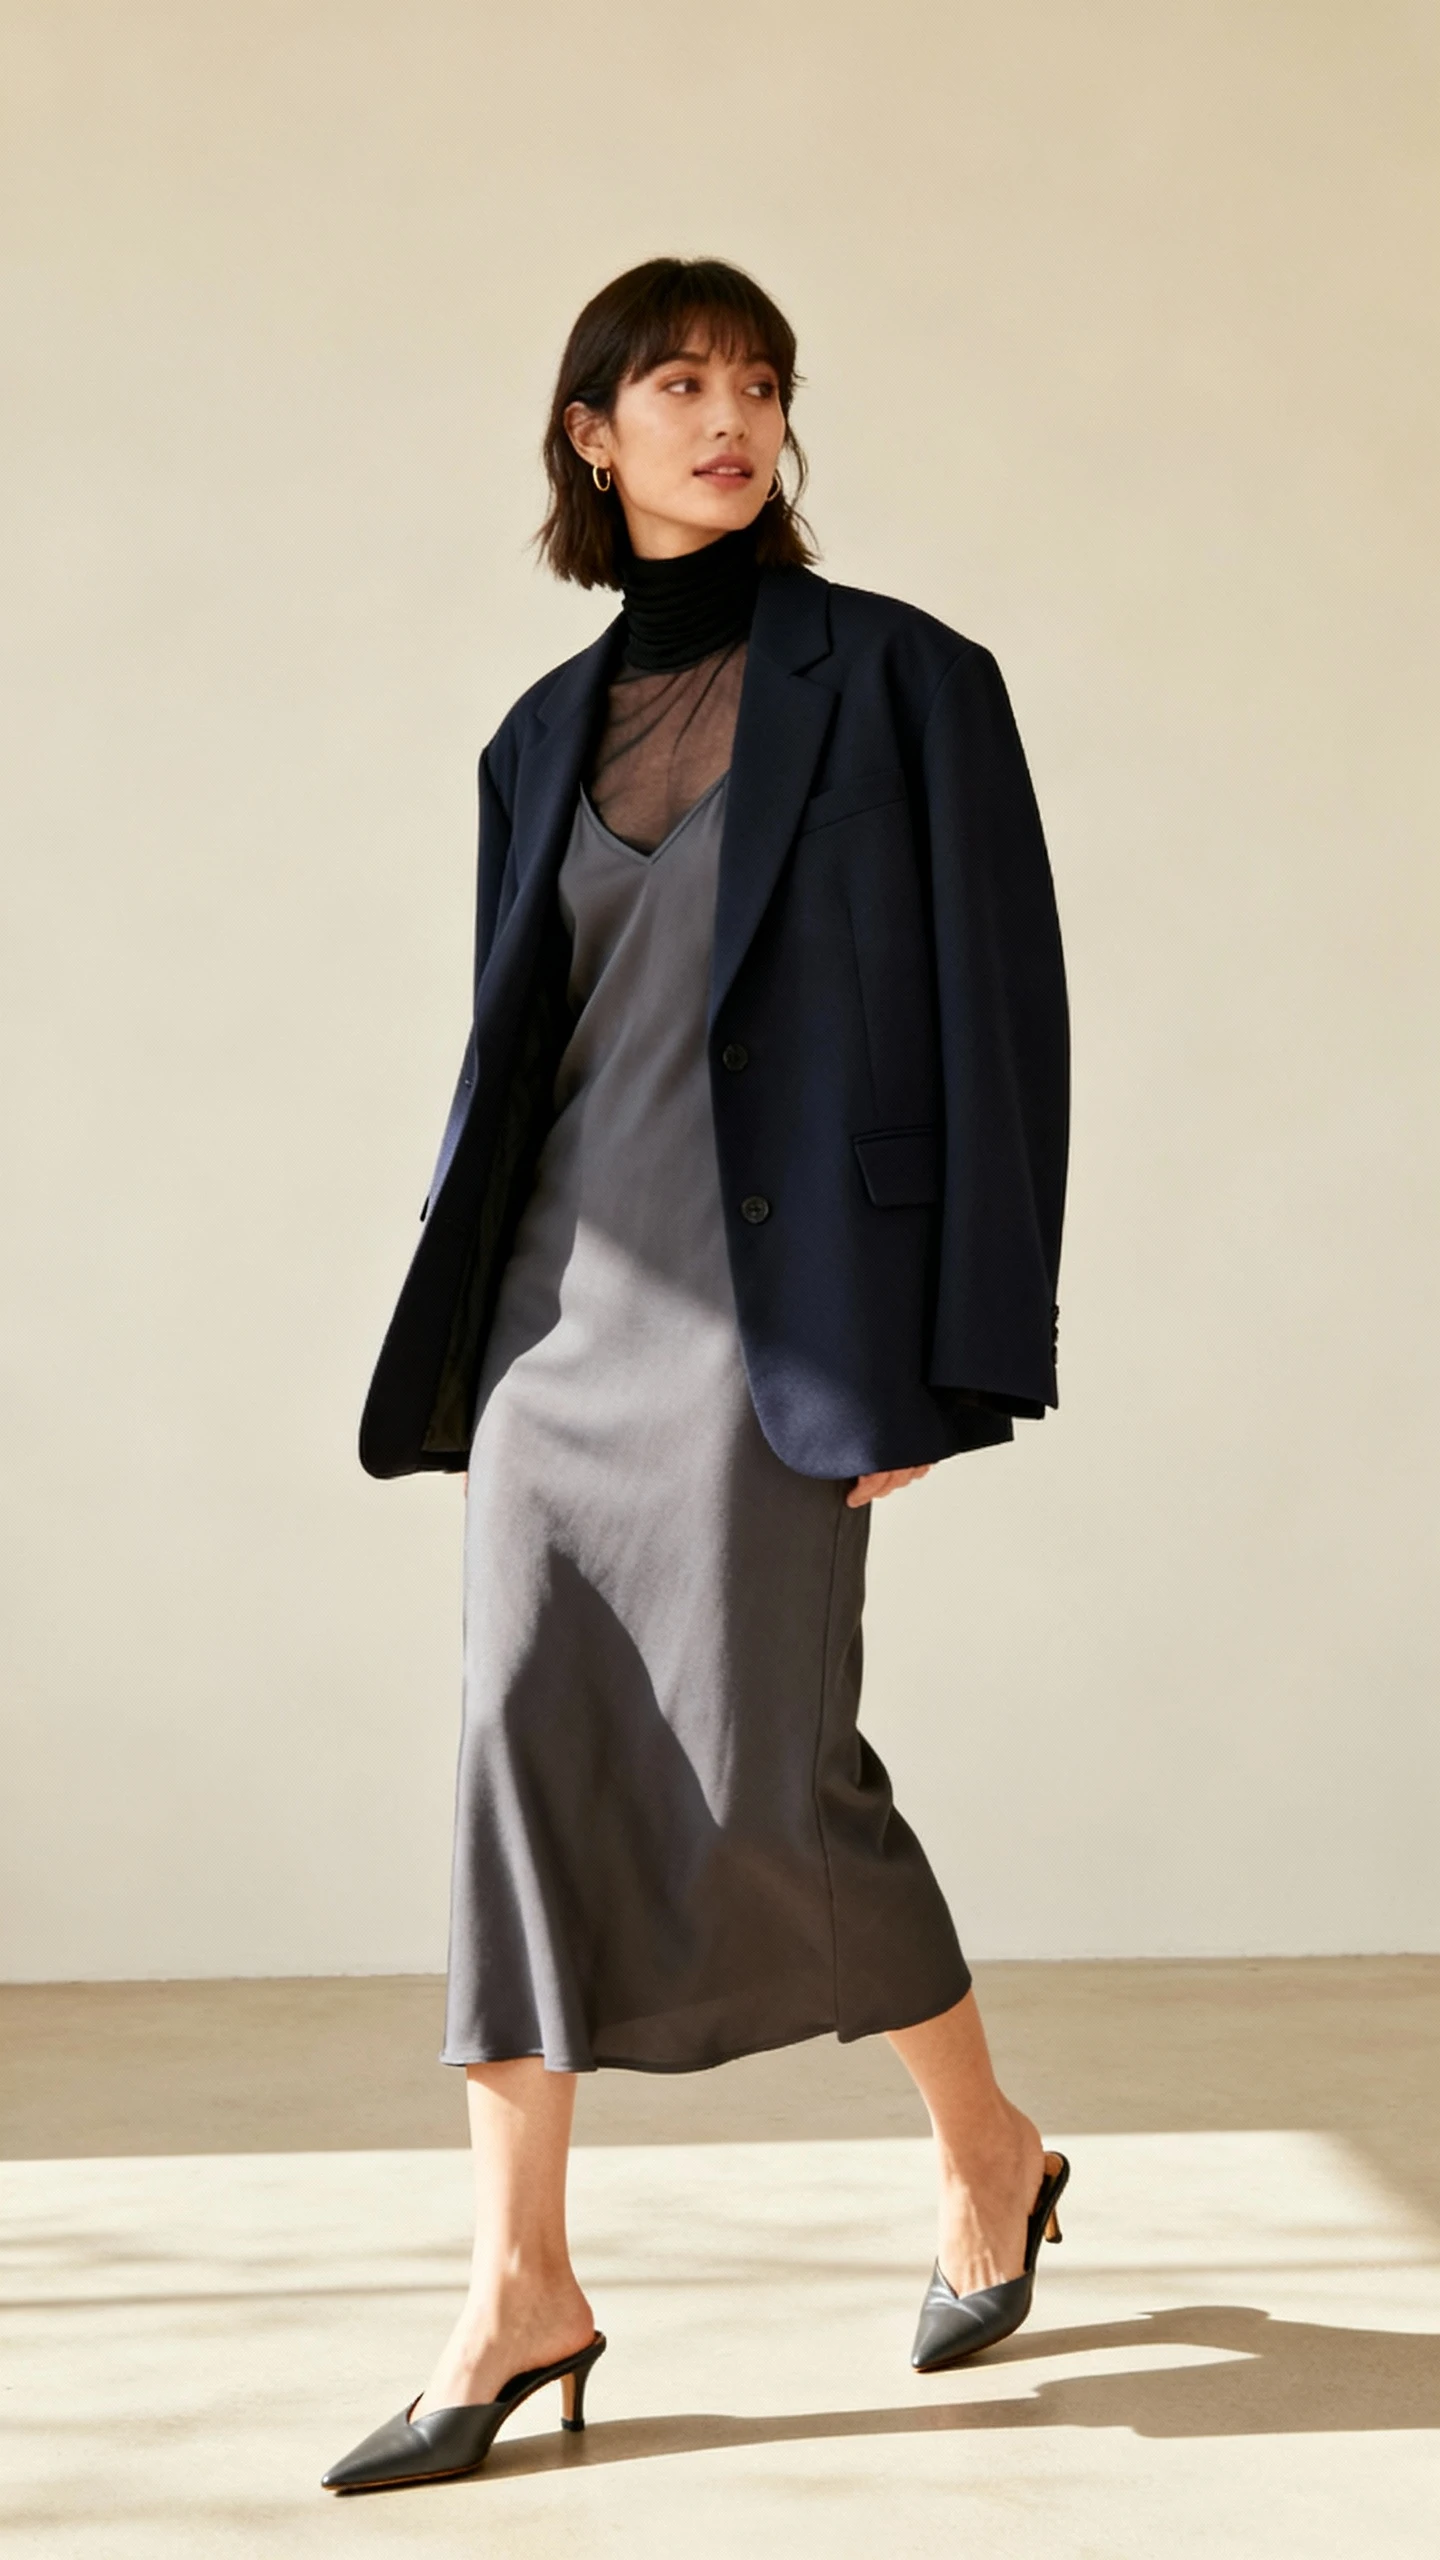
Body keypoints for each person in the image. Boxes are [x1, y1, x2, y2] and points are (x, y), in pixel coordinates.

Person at [323, 256, 1071, 2496]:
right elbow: (524, 1057)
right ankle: (515, 2280)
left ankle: (991, 2145)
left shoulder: (912, 685)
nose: (727, 417)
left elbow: (1005, 1027)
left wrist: (957, 1355)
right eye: (678, 383)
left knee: (776, 1776)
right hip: (561, 1332)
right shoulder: (535, 739)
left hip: (781, 1336)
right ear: (593, 432)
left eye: (758, 384)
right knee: (513, 1768)